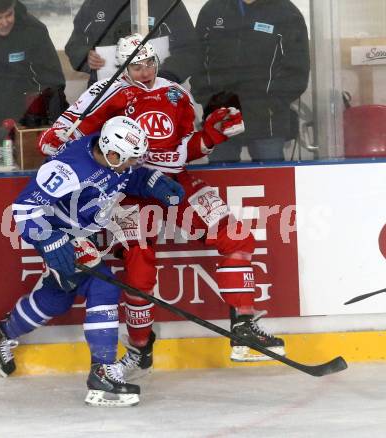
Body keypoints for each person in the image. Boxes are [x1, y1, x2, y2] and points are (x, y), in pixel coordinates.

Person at [38, 33, 286, 379]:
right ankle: (140, 348)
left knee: (236, 237)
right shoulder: (104, 92)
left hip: (175, 182)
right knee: (139, 270)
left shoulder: (176, 92)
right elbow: (62, 132)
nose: (145, 72)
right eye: (137, 66)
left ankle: (243, 327)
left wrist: (211, 136)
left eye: (150, 63)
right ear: (123, 67)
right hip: (128, 190)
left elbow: (185, 148)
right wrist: (58, 136)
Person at [0, 116, 185, 407]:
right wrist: (48, 239)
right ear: (110, 152)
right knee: (104, 287)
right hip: (58, 234)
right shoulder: (67, 168)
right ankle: (102, 373)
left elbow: (124, 175)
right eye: (126, 159)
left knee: (60, 294)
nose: (129, 164)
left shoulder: (113, 155)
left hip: (78, 233)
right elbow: (23, 208)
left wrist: (150, 181)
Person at [190, 0, 310, 162]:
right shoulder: (213, 9)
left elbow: (298, 71)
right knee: (222, 181)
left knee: (271, 181)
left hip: (267, 121)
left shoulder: (287, 13)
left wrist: (271, 105)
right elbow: (197, 59)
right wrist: (208, 101)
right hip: (221, 116)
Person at [0, 0, 68, 146]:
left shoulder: (33, 29)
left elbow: (52, 81)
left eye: (9, 15)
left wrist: (42, 123)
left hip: (24, 118)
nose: (4, 22)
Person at [65, 0, 197, 86]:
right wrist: (86, 57)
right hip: (107, 91)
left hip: (160, 90)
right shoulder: (94, 4)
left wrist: (166, 76)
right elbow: (74, 45)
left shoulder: (169, 3)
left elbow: (190, 48)